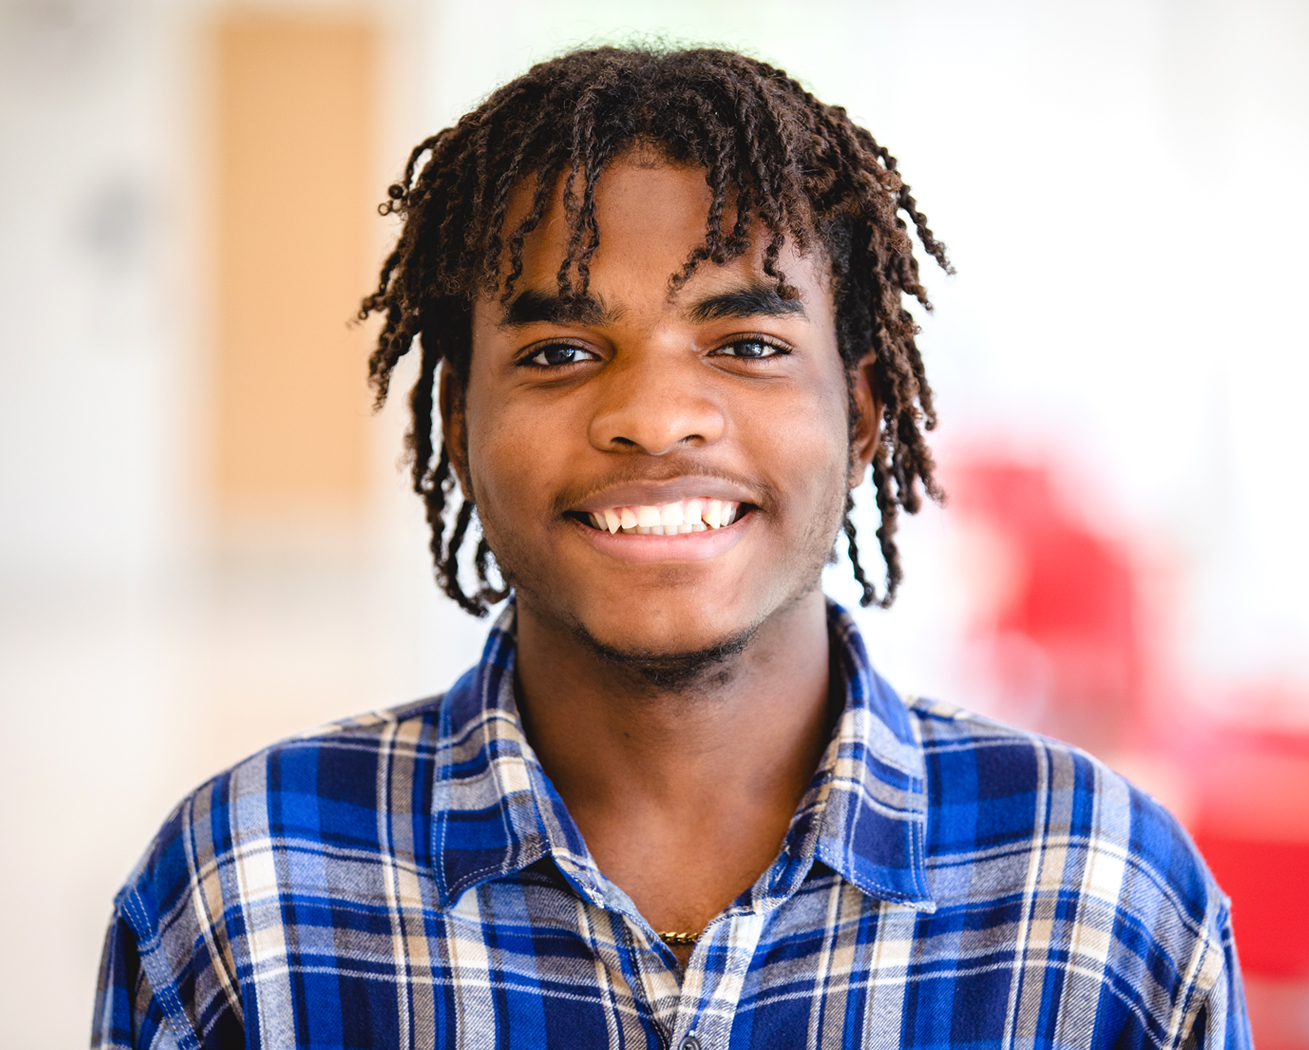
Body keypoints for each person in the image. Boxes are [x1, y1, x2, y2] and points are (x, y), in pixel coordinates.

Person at [93, 46, 1250, 1050]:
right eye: (557, 353)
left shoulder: (1102, 897)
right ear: (456, 424)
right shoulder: (247, 893)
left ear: (863, 418)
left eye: (745, 342)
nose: (655, 415)